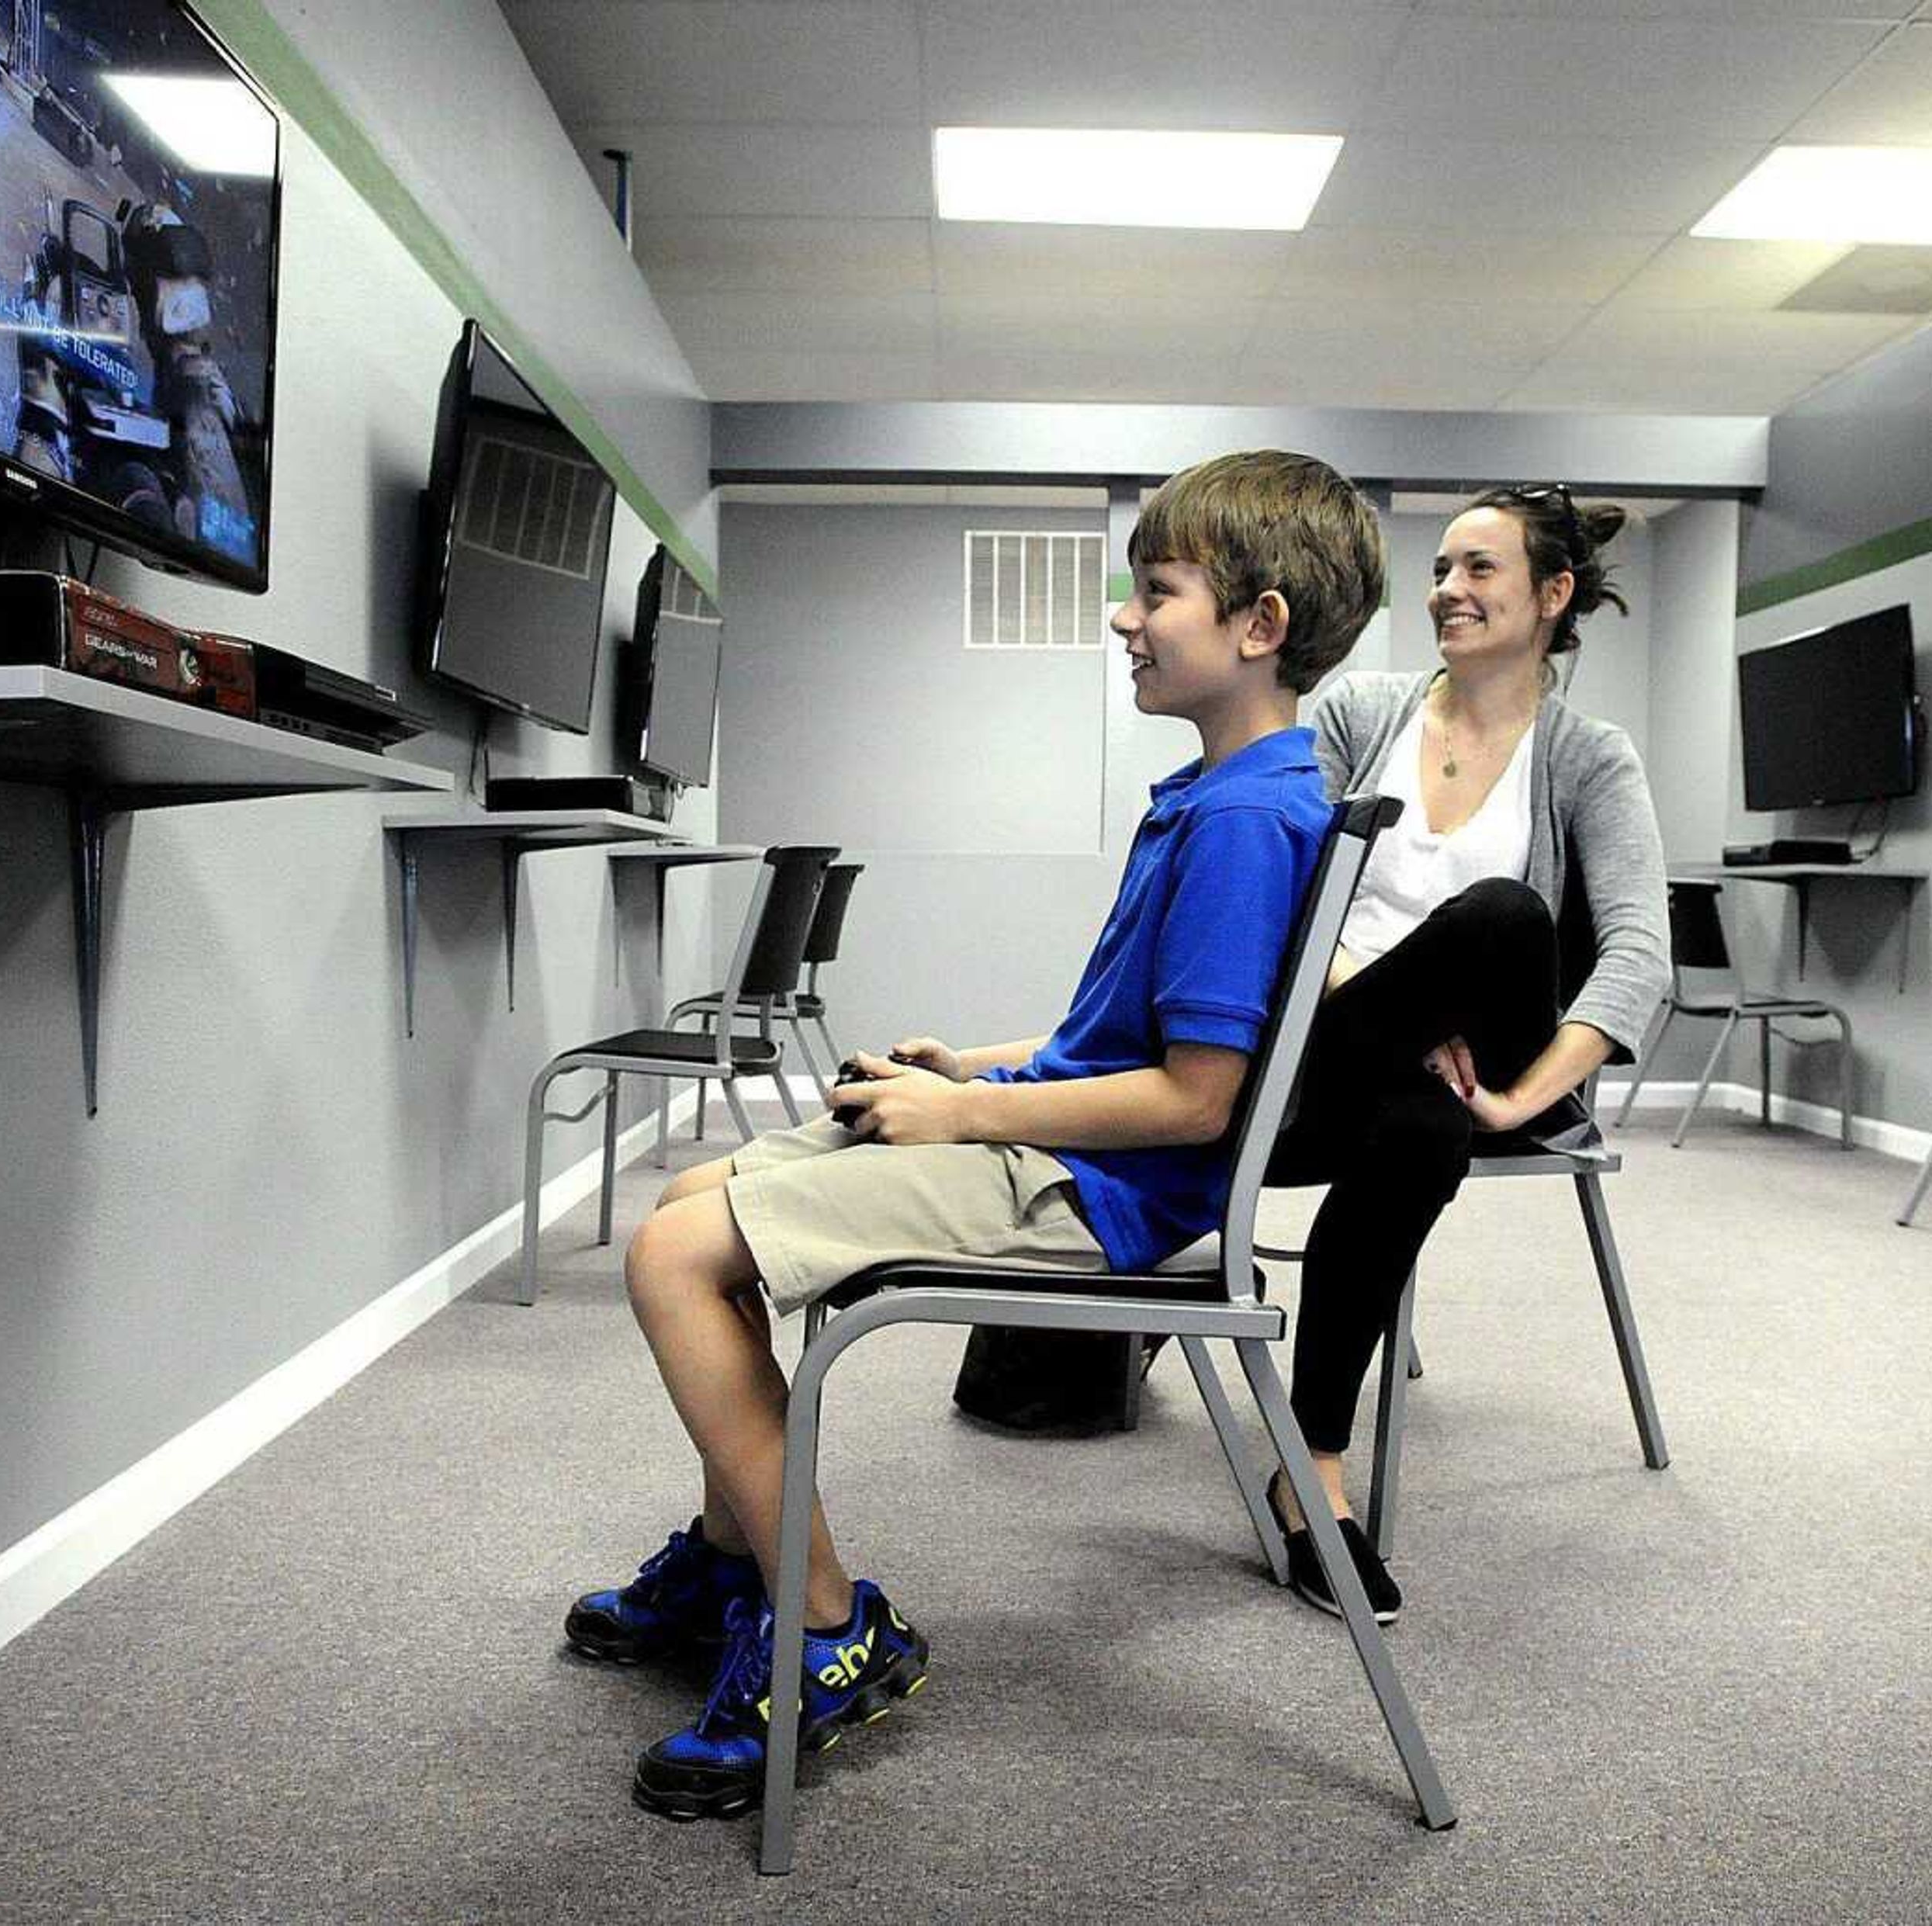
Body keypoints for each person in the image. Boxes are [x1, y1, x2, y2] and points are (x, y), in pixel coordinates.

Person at [562, 449, 1386, 1821]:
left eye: (1156, 590)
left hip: (1088, 1193)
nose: (1125, 616)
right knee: (701, 1193)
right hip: (1058, 1140)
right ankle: (734, 1553)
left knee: (672, 1258)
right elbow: (1128, 1040)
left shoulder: (1249, 816)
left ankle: (828, 1629)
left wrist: (967, 1112)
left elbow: (1196, 1098)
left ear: (1261, 626)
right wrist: (980, 1064)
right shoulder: (1219, 793)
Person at [1262, 485, 1668, 1623]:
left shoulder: (1589, 754)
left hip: (1494, 1060)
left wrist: (1522, 1099)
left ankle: (1305, 1463)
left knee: (1502, 919)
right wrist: (1382, 998)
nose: (1447, 589)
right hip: (1352, 1043)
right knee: (1414, 1128)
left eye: (1480, 569)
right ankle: (1312, 1476)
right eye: (1442, 567)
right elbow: (1294, 895)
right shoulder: (1361, 714)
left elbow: (1640, 951)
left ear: (1552, 594)